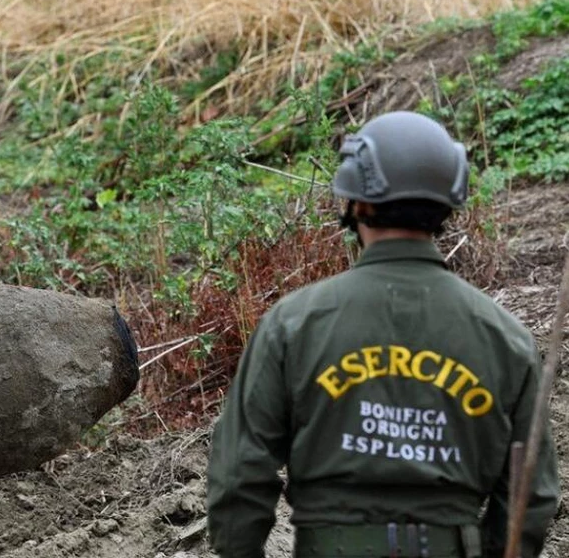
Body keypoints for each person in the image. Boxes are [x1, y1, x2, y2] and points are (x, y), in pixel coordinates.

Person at [205, 111, 561, 558]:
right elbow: (532, 493)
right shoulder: (505, 337)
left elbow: (238, 474)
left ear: (357, 202)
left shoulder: (294, 324)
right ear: (448, 204)